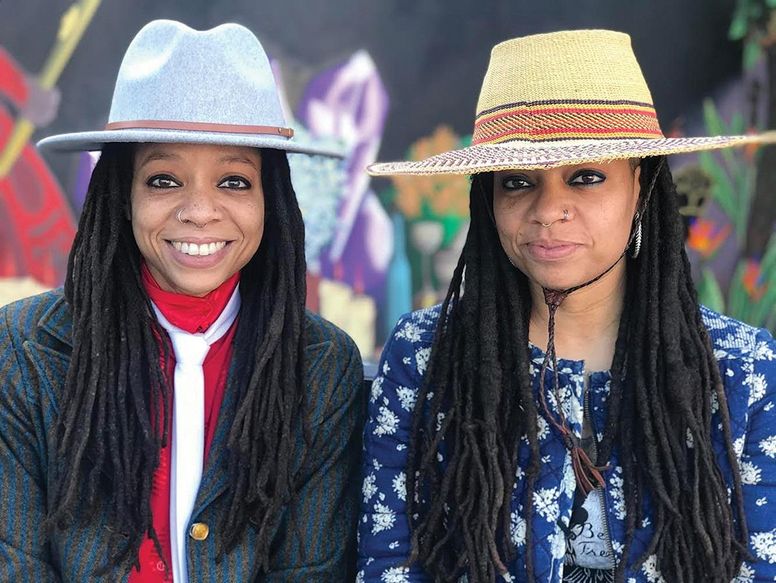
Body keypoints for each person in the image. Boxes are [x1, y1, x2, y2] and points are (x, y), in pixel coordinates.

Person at [358, 29, 776, 583]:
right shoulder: (425, 356)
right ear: (488, 200)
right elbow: (389, 564)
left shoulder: (743, 369)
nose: (549, 209)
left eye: (585, 177)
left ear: (640, 186)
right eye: (516, 182)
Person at [0, 19, 364, 582]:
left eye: (234, 182)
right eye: (164, 180)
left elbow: (308, 571)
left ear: (273, 200)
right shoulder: (22, 349)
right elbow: (15, 564)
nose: (199, 211)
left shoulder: (321, 365)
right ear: (122, 196)